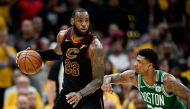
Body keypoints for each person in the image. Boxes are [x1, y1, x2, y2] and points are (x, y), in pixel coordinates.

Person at [16, 8, 105, 109]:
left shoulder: (95, 45)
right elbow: (56, 53)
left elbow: (98, 80)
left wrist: (80, 94)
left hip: (89, 95)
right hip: (67, 92)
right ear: (72, 21)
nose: (84, 24)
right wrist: (31, 54)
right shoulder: (63, 36)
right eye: (80, 20)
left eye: (86, 20)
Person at [102, 48, 190, 109]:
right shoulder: (134, 77)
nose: (135, 64)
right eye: (136, 60)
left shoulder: (167, 81)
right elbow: (108, 77)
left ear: (149, 66)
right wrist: (106, 82)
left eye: (139, 62)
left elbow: (188, 95)